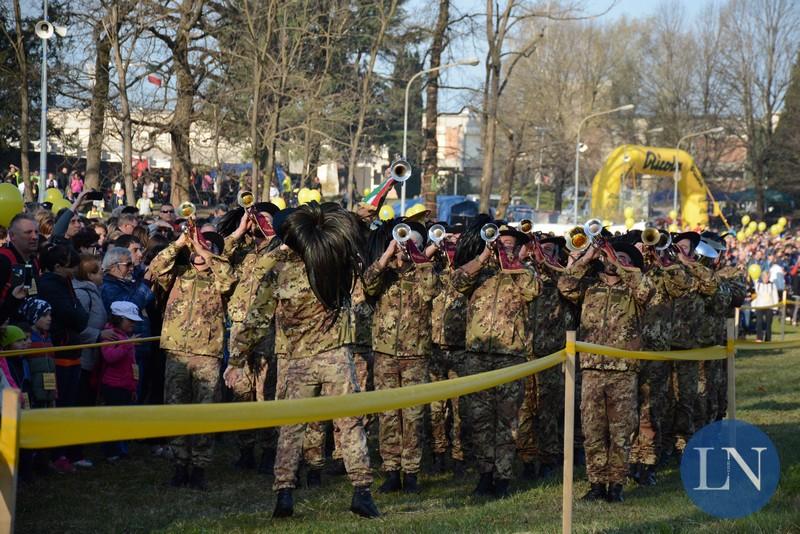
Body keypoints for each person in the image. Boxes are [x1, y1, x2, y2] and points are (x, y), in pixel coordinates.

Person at [226, 202, 380, 519]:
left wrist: (236, 359)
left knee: (290, 429)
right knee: (350, 425)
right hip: (335, 356)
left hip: (295, 360)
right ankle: (362, 492)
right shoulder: (335, 262)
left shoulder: (278, 268)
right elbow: (350, 234)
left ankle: (284, 494)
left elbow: (255, 319)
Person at [558, 238, 654, 503]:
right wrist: (588, 257)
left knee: (621, 431)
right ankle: (597, 483)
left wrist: (620, 264)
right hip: (591, 369)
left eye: (624, 259)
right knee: (593, 430)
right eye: (613, 257)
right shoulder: (590, 288)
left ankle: (616, 485)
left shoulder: (634, 290)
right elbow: (565, 284)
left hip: (623, 370)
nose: (616, 262)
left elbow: (647, 290)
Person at [452, 218, 540, 498]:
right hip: (477, 356)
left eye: (509, 244)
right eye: (500, 242)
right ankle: (484, 473)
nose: (504, 247)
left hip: (508, 357)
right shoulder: (480, 270)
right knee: (479, 420)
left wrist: (512, 263)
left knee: (506, 422)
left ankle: (502, 477)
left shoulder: (524, 273)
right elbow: (457, 281)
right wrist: (484, 256)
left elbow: (532, 291)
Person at [150, 228, 234, 490]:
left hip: (207, 354)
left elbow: (229, 279)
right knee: (176, 409)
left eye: (207, 246)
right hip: (177, 353)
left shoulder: (220, 277)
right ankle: (179, 464)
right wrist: (179, 243)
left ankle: (199, 466)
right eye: (197, 245)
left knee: (205, 411)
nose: (199, 250)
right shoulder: (178, 274)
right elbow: (156, 267)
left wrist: (205, 251)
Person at [364, 220, 438, 494]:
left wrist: (420, 259)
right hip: (385, 354)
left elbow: (431, 291)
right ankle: (391, 470)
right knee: (388, 415)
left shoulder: (424, 273)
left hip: (415, 355)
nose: (405, 250)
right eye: (403, 243)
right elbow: (367, 286)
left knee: (413, 415)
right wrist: (387, 255)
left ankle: (411, 472)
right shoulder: (385, 274)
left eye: (412, 244)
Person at [218, 201, 280, 474]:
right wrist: (240, 229)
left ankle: (268, 449)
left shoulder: (281, 250)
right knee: (241, 391)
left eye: (265, 219)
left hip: (269, 330)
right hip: (240, 329)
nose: (259, 223)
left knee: (266, 392)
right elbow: (217, 257)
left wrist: (270, 233)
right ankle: (245, 449)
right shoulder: (240, 251)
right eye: (257, 219)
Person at [517, 234, 571, 481]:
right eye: (539, 249)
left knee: (548, 410)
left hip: (552, 352)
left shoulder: (559, 275)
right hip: (525, 352)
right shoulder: (524, 273)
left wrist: (547, 263)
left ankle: (550, 458)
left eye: (549, 249)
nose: (541, 253)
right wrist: (522, 258)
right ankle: (527, 460)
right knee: (525, 410)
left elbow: (570, 286)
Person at [428, 224, 468, 477]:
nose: (451, 243)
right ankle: (438, 453)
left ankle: (459, 457)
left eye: (457, 239)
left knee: (460, 408)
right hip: (434, 348)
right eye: (448, 238)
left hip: (460, 349)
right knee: (435, 408)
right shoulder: (433, 270)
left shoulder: (470, 272)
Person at [100, 301, 143, 461]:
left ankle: (121, 450)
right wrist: (127, 345)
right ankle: (111, 452)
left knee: (123, 419)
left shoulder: (125, 337)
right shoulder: (110, 335)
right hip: (113, 386)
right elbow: (110, 357)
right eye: (129, 320)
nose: (133, 324)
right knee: (113, 420)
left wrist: (133, 388)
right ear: (118, 318)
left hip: (125, 386)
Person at [753, 270, 779, 342]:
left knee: (768, 324)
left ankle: (768, 339)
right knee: (759, 322)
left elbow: (775, 296)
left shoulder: (773, 285)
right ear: (762, 277)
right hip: (759, 306)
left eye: (768, 277)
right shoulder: (757, 284)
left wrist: (775, 308)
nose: (766, 279)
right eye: (765, 277)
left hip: (769, 306)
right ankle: (759, 338)